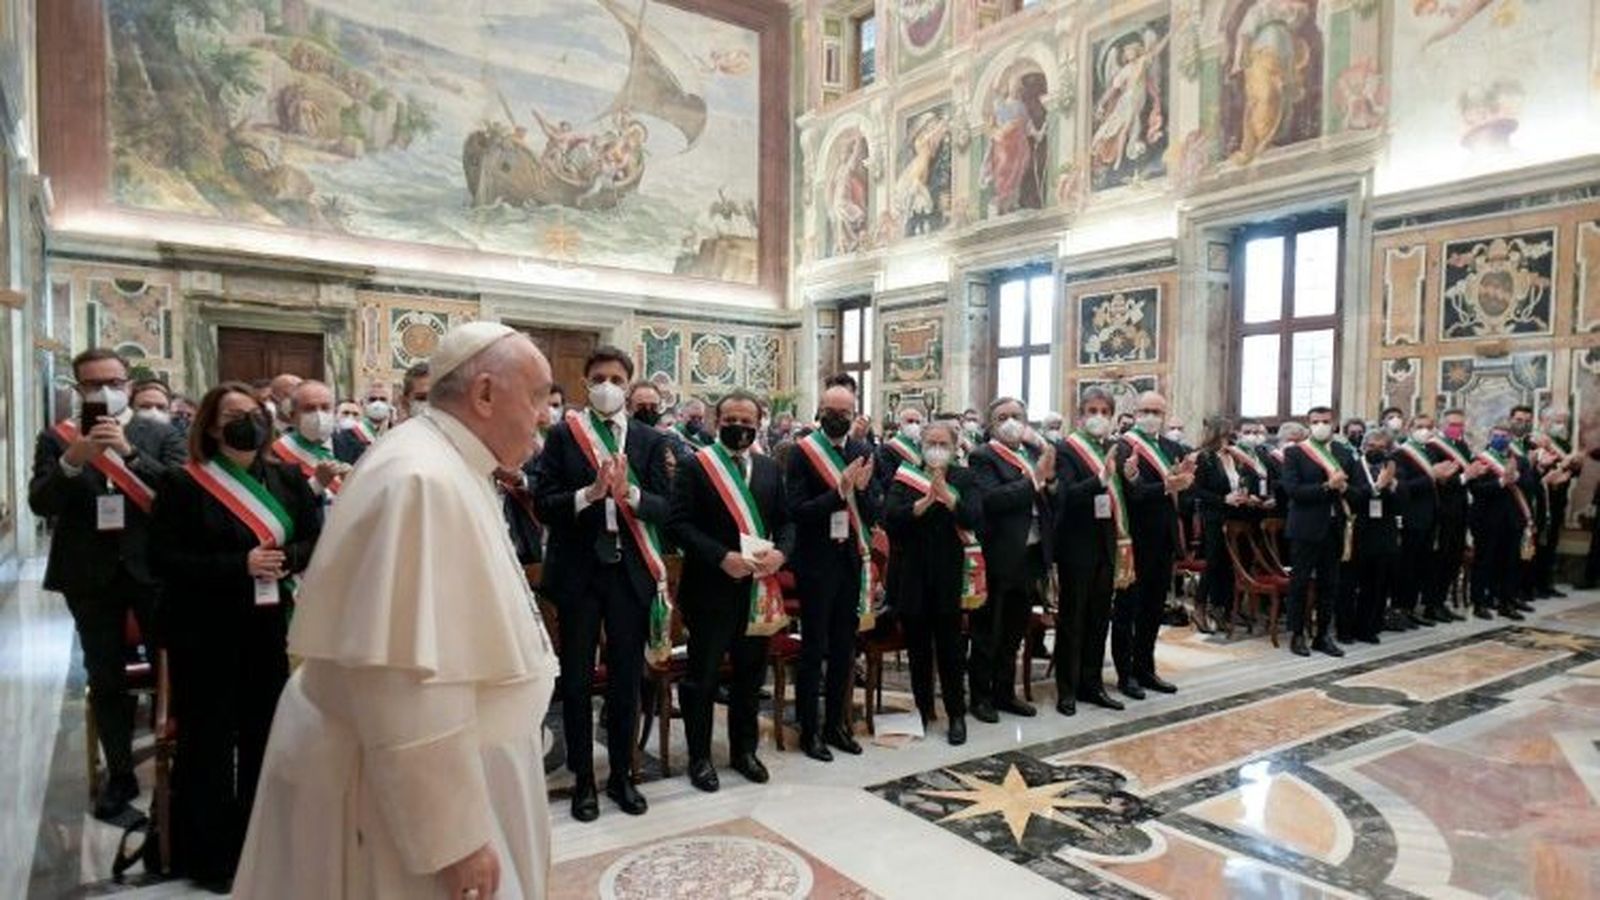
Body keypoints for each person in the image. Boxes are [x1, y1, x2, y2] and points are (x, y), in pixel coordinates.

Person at [234, 323, 560, 900]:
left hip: (463, 771)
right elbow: (406, 681)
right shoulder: (421, 479)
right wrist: (453, 839)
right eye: (537, 396)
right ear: (485, 393)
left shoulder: (447, 462)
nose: (545, 415)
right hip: (405, 802)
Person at [153, 383, 321, 891]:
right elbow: (163, 559)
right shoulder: (183, 484)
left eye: (253, 413)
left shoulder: (287, 478)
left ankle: (259, 843)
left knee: (263, 738)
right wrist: (238, 564)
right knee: (207, 744)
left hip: (269, 629)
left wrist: (286, 559)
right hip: (205, 631)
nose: (245, 422)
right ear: (210, 425)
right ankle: (209, 855)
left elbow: (313, 536)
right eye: (232, 415)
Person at [28, 348, 186, 821]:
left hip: (154, 571)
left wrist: (130, 454)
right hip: (89, 574)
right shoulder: (57, 438)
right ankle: (119, 773)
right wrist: (72, 462)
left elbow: (181, 497)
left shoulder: (159, 432)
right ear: (78, 389)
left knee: (172, 668)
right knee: (105, 676)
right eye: (93, 384)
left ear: (128, 385)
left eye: (113, 382)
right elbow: (40, 503)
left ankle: (177, 760)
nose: (105, 391)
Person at [533, 346, 671, 821]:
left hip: (628, 575)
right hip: (579, 574)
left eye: (615, 378)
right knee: (576, 681)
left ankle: (621, 776)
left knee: (626, 682)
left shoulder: (649, 440)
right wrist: (588, 494)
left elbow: (666, 507)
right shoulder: (563, 436)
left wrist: (630, 494)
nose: (606, 386)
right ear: (586, 383)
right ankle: (584, 783)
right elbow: (543, 503)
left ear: (628, 385)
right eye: (598, 378)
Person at [669, 389, 792, 790]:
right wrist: (721, 557)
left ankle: (744, 752)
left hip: (757, 590)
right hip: (710, 589)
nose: (739, 427)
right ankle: (700, 757)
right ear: (716, 423)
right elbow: (678, 524)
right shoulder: (696, 465)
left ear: (759, 424)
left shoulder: (770, 468)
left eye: (747, 422)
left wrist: (781, 553)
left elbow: (786, 522)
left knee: (750, 676)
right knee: (702, 679)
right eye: (730, 421)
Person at [787, 382, 877, 761]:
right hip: (815, 563)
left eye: (845, 412)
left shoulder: (862, 450)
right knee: (814, 649)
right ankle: (809, 729)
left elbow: (872, 511)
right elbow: (797, 511)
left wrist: (864, 493)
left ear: (854, 414)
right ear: (820, 412)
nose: (837, 418)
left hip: (850, 561)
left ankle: (836, 724)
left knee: (844, 647)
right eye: (831, 411)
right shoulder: (801, 452)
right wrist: (838, 492)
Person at [884, 420, 982, 742]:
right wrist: (924, 502)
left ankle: (956, 714)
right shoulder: (906, 476)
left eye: (943, 444)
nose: (936, 449)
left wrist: (949, 499)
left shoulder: (965, 478)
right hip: (912, 573)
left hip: (949, 573)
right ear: (921, 446)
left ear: (954, 448)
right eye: (931, 443)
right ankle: (923, 709)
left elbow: (975, 517)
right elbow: (891, 519)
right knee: (919, 650)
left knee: (951, 650)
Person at [968, 396, 1055, 721]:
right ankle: (981, 697)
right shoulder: (983, 456)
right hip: (998, 555)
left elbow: (1047, 497)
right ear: (991, 424)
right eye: (1002, 417)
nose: (1010, 422)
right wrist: (1033, 481)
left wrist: (1051, 484)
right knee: (987, 631)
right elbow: (990, 500)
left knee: (1014, 630)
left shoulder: (1031, 454)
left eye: (1016, 416)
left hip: (1029, 554)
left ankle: (1005, 692)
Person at [1050, 389, 1127, 716]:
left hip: (1106, 544)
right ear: (1081, 415)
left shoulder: (1113, 448)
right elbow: (1065, 496)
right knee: (1073, 620)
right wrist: (1100, 477)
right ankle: (1067, 689)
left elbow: (1121, 496)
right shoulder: (1066, 449)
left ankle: (1092, 684)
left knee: (1098, 619)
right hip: (1076, 546)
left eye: (1105, 411)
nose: (1099, 416)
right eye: (1092, 410)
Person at [1110, 392, 1192, 695]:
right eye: (1145, 410)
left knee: (1154, 608)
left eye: (1156, 412)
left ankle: (1145, 668)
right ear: (1135, 412)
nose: (1150, 416)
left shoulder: (1172, 447)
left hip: (1164, 537)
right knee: (1127, 609)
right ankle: (1125, 674)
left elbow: (1181, 495)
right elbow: (1132, 494)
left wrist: (1184, 484)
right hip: (1134, 538)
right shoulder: (1123, 446)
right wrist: (1166, 486)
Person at [1279, 406, 1356, 657]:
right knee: (1299, 583)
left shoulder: (1344, 453)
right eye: (1316, 421)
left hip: (1334, 527)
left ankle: (1323, 635)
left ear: (1334, 424)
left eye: (1325, 421)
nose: (1321, 425)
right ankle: (1297, 634)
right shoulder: (1296, 453)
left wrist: (1344, 489)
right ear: (1308, 424)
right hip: (1305, 527)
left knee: (1329, 584)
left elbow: (1355, 490)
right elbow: (1293, 491)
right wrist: (1326, 486)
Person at [1192, 416, 1264, 627]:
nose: (1230, 438)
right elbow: (1196, 490)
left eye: (1231, 434)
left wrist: (1246, 496)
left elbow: (1247, 479)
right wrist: (1223, 499)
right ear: (1217, 435)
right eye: (1226, 434)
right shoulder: (1204, 458)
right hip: (1214, 516)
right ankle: (1199, 606)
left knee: (1229, 564)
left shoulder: (1235, 456)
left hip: (1235, 516)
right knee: (1213, 562)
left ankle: (1222, 607)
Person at [1391, 413, 1460, 626]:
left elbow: (1436, 482)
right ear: (1409, 429)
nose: (1425, 431)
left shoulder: (1430, 452)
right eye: (1420, 426)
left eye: (1429, 427)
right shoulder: (1400, 455)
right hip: (1410, 518)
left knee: (1421, 566)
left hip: (1430, 517)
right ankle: (1399, 609)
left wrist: (1442, 478)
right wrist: (1431, 475)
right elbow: (1403, 487)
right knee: (1406, 567)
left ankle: (1411, 608)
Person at [1468, 421, 1531, 620]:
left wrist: (1517, 477)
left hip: (1513, 520)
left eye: (1504, 436)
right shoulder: (1480, 460)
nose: (1500, 439)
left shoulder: (1519, 461)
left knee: (1510, 563)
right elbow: (1476, 489)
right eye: (1496, 435)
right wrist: (1501, 482)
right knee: (1484, 562)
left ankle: (1506, 603)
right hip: (1486, 520)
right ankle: (1479, 603)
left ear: (1510, 438)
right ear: (1490, 437)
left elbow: (1530, 485)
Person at [1345, 429, 1401, 644]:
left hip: (1383, 531)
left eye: (1381, 448)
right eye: (1371, 446)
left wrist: (1393, 486)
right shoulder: (1352, 466)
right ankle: (1346, 628)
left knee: (1376, 583)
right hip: (1357, 531)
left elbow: (1404, 500)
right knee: (1351, 584)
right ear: (1363, 447)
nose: (1376, 451)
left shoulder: (1392, 467)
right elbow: (1351, 496)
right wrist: (1377, 486)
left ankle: (1369, 626)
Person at [1427, 409, 1482, 617]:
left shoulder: (1462, 446)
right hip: (1443, 510)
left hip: (1461, 510)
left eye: (1459, 425)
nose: (1456, 428)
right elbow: (1438, 481)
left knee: (1453, 558)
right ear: (1442, 425)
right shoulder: (1434, 447)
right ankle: (1432, 604)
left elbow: (1470, 477)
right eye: (1452, 424)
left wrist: (1474, 475)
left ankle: (1441, 602)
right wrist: (1464, 477)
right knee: (1440, 559)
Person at [270, 380, 350, 502]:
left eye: (325, 408)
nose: (319, 415)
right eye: (309, 409)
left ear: (334, 412)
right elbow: (281, 505)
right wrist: (316, 484)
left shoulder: (353, 444)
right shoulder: (276, 454)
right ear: (292, 416)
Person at [1533, 407, 1577, 598]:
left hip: (1559, 499)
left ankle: (1546, 583)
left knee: (1551, 543)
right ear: (1545, 421)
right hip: (1542, 499)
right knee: (1538, 543)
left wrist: (1572, 467)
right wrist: (1558, 469)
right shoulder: (1537, 441)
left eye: (1565, 422)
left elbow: (1572, 469)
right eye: (1558, 421)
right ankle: (1533, 584)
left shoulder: (1563, 444)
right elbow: (1534, 470)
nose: (1562, 425)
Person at [875, 406, 925, 495]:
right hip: (899, 495)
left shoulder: (923, 447)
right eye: (910, 421)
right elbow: (888, 479)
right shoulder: (887, 449)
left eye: (917, 422)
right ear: (899, 425)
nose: (914, 425)